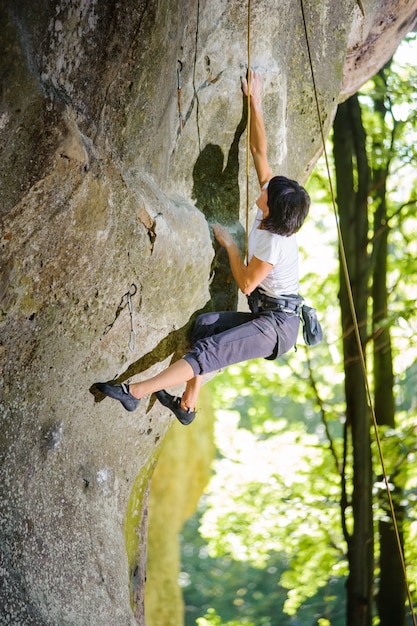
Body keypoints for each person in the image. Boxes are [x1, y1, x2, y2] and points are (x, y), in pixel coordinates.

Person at [95, 71, 310, 425]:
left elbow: (246, 285)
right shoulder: (272, 207)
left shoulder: (274, 242)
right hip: (268, 314)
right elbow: (259, 149)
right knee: (205, 327)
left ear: (272, 209)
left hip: (277, 326)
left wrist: (229, 246)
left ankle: (134, 392)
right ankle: (187, 405)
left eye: (267, 193)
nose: (264, 186)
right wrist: (254, 101)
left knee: (211, 351)